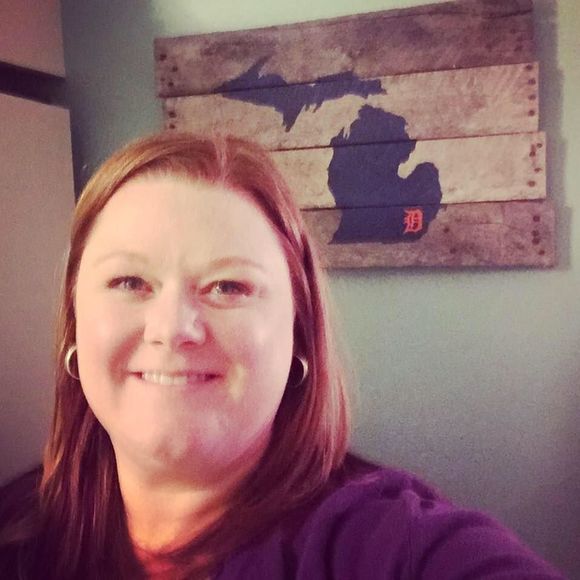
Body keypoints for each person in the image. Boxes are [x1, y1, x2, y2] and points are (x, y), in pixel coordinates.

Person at [0, 132, 565, 580]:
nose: (172, 329)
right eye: (129, 281)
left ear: (299, 334)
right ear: (75, 323)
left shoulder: (392, 545)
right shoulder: (17, 531)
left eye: (228, 286)